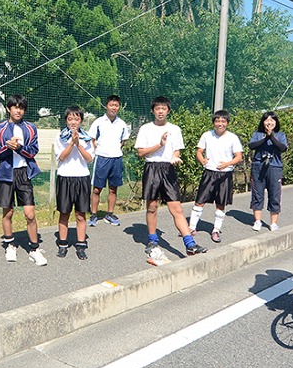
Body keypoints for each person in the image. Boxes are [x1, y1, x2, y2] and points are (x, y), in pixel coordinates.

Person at [135, 96, 207, 265]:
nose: (160, 111)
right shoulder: (145, 128)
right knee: (152, 207)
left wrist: (175, 158)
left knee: (176, 208)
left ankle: (190, 244)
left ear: (168, 110)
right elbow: (140, 152)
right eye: (157, 108)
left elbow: (177, 151)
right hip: (152, 169)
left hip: (168, 170)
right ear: (153, 110)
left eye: (164, 108)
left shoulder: (175, 129)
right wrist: (159, 145)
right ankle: (152, 240)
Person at [0, 94, 47, 266]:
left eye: (21, 107)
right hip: (6, 173)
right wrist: (8, 148)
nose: (18, 110)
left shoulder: (30, 128)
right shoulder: (0, 128)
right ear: (8, 108)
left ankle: (34, 249)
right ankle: (9, 244)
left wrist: (20, 148)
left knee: (30, 214)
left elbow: (33, 151)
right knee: (7, 212)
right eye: (15, 107)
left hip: (24, 174)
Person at [187, 110, 243, 243]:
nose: (220, 124)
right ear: (213, 122)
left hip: (225, 175)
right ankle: (191, 228)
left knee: (220, 204)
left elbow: (239, 157)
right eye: (217, 121)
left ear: (227, 123)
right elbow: (199, 151)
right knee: (199, 201)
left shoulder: (233, 137)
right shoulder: (207, 135)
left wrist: (227, 164)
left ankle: (216, 230)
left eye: (223, 121)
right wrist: (202, 160)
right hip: (209, 173)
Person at [54, 106, 95, 259]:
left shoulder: (87, 138)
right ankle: (63, 244)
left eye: (76, 119)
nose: (73, 122)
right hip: (65, 177)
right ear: (66, 120)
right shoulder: (60, 137)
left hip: (82, 177)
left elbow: (89, 159)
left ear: (81, 121)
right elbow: (62, 157)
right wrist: (71, 143)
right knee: (64, 213)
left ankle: (81, 245)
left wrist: (78, 144)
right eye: (70, 119)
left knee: (80, 214)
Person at [88, 95, 129, 227]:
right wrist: (100, 150)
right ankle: (93, 215)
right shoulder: (99, 122)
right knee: (96, 189)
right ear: (107, 106)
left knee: (113, 189)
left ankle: (109, 214)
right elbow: (92, 139)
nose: (114, 108)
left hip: (116, 159)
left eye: (116, 105)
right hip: (101, 159)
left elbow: (123, 141)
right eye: (111, 105)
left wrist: (114, 150)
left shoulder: (122, 124)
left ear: (119, 107)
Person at [248, 111, 288, 231]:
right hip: (258, 167)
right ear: (263, 122)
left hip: (275, 167)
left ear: (276, 122)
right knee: (257, 194)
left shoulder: (280, 135)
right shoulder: (258, 134)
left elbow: (282, 147)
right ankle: (257, 221)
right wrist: (266, 137)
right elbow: (252, 146)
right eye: (267, 120)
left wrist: (272, 136)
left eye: (272, 120)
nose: (269, 122)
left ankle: (273, 223)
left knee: (275, 195)